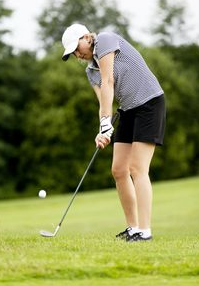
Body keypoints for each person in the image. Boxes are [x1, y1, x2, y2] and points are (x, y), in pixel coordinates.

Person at [61, 23, 166, 242]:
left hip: (149, 104)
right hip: (128, 109)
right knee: (119, 170)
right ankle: (132, 227)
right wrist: (103, 128)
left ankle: (145, 232)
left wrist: (107, 120)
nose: (77, 54)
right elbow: (103, 101)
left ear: (86, 37)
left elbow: (109, 81)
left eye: (76, 47)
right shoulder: (91, 71)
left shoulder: (106, 41)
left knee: (138, 168)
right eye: (72, 53)